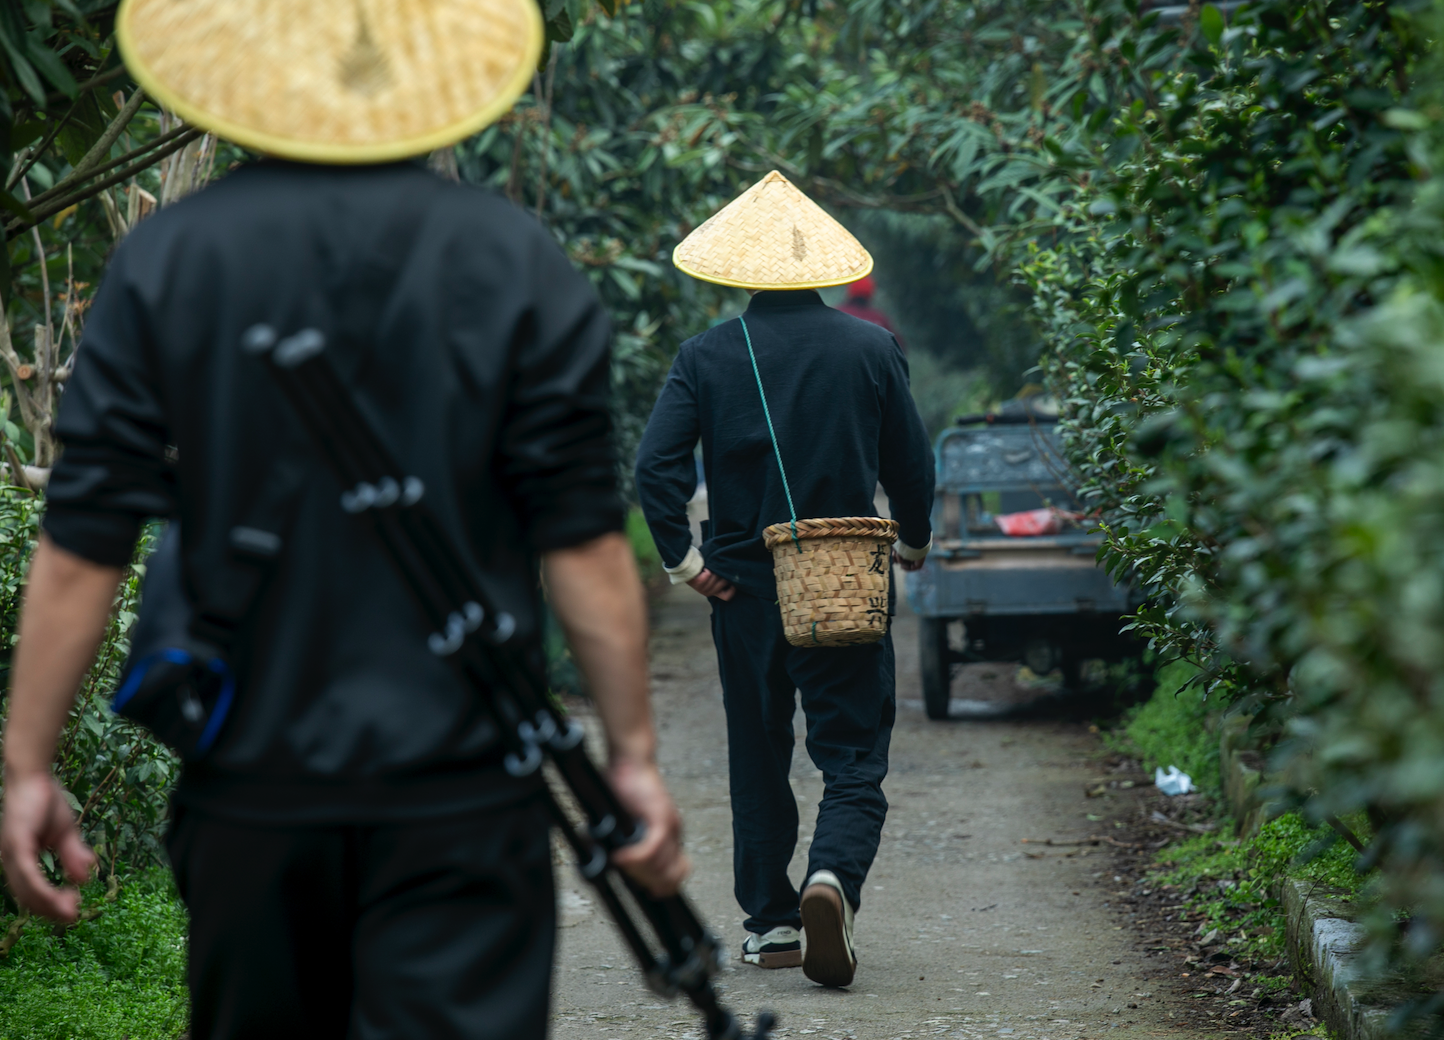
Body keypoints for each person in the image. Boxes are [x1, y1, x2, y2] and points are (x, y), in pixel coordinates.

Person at [0, 2, 689, 1038]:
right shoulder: (512, 260)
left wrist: (27, 763)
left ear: (250, 71)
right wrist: (629, 755)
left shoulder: (169, 260)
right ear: (416, 78)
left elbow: (85, 538)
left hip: (250, 794)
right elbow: (582, 537)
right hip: (463, 791)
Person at [635, 171, 935, 988]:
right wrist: (910, 544)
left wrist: (686, 564)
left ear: (739, 270)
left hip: (742, 585)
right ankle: (832, 876)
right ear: (823, 267)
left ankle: (771, 923)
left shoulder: (705, 355)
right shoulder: (873, 348)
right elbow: (912, 463)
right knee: (853, 754)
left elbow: (655, 469)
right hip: (843, 580)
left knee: (759, 752)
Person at [834, 275, 905, 349]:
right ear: (871, 294)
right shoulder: (880, 319)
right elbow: (899, 346)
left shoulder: (836, 313)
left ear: (849, 292)